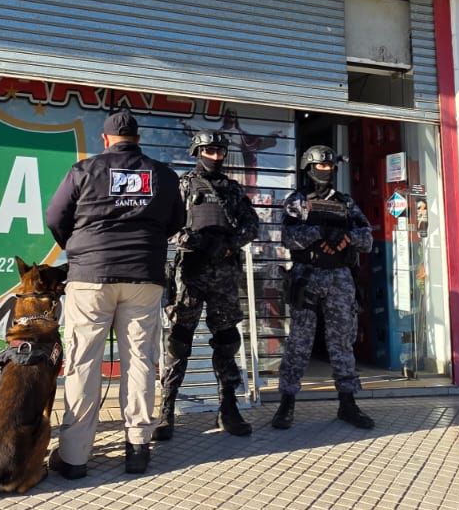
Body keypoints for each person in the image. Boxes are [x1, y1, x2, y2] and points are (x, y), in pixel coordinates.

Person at [44, 109, 183, 477]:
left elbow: (55, 217)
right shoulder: (164, 175)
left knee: (83, 362)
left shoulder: (84, 170)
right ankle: (137, 448)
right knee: (140, 360)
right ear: (138, 139)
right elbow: (176, 222)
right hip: (144, 278)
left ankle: (74, 457)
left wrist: (81, 250)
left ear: (105, 139)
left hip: (91, 278)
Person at [154, 130, 260, 442]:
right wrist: (195, 241)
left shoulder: (232, 189)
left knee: (227, 341)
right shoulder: (183, 185)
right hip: (190, 273)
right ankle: (166, 410)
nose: (215, 156)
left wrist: (230, 244)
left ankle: (228, 407)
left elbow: (252, 224)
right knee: (178, 342)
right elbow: (167, 225)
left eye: (219, 151)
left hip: (224, 276)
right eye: (209, 150)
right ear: (197, 152)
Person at [271, 146, 374, 431]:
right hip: (307, 276)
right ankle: (286, 402)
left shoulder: (346, 202)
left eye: (330, 167)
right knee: (299, 341)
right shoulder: (297, 201)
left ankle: (347, 403)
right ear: (308, 168)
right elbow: (288, 237)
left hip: (339, 277)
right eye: (321, 166)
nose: (326, 171)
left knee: (342, 341)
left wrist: (345, 237)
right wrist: (320, 232)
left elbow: (367, 238)